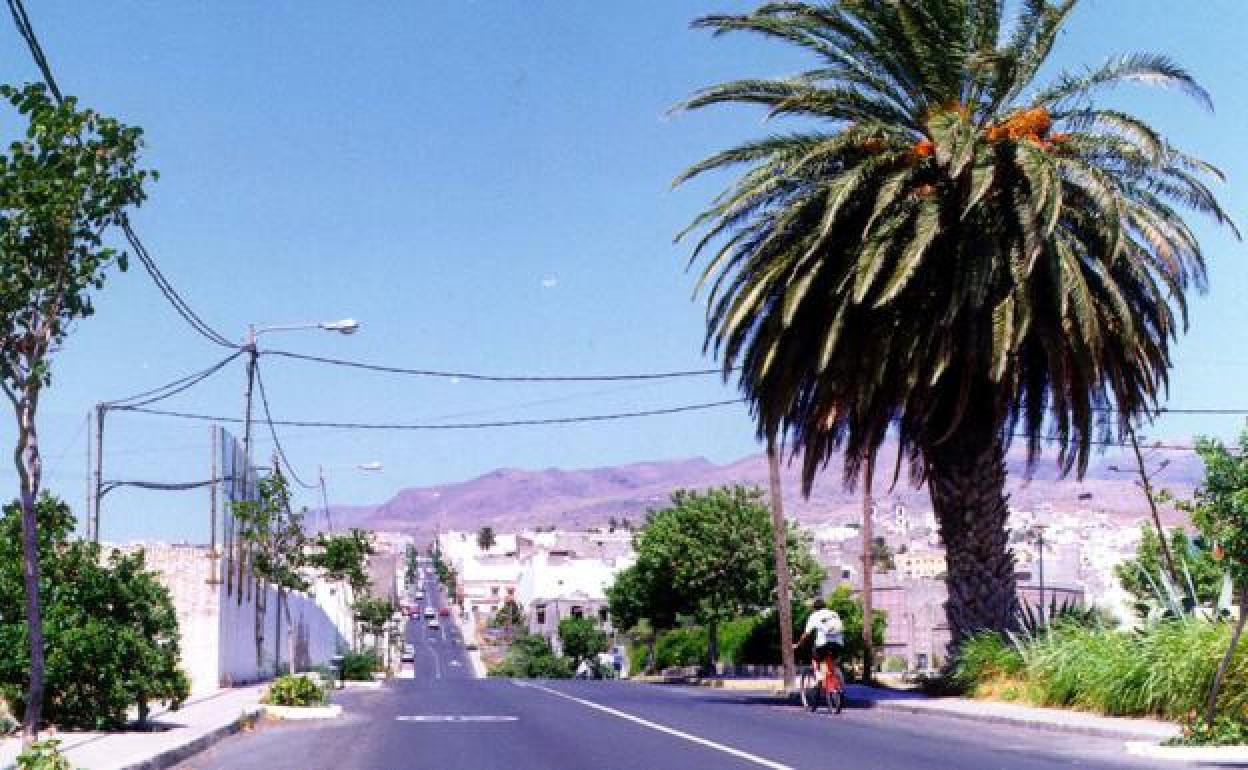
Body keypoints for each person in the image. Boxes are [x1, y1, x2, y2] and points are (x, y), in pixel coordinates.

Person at [793, 598, 844, 701]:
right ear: (825, 606)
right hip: (838, 643)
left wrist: (798, 644)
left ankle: (818, 676)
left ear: (814, 608)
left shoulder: (814, 615)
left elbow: (806, 633)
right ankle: (834, 680)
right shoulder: (834, 614)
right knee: (831, 661)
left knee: (815, 657)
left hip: (823, 644)